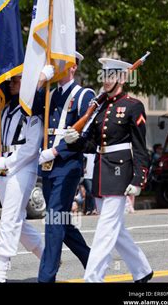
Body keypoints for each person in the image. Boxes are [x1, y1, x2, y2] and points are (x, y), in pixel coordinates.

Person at [64, 57, 153, 283]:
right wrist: (75, 140)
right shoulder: (100, 106)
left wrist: (139, 178)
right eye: (104, 76)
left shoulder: (133, 106)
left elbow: (141, 148)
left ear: (122, 78)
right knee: (115, 229)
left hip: (121, 172)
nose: (105, 81)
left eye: (110, 76)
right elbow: (93, 144)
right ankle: (142, 271)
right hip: (101, 172)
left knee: (105, 231)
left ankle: (93, 278)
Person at [0, 74, 44, 283]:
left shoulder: (32, 110)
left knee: (9, 219)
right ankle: (48, 255)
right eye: (11, 80)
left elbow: (32, 146)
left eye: (16, 80)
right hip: (5, 166)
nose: (11, 84)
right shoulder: (5, 108)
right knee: (17, 221)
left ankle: (2, 270)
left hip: (22, 167)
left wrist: (10, 162)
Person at [31, 52, 93, 283]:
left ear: (73, 67)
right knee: (62, 222)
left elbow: (84, 132)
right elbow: (33, 109)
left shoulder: (84, 95)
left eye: (59, 63)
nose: (54, 66)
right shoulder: (50, 94)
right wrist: (40, 82)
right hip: (48, 166)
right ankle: (92, 261)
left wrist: (57, 151)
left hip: (67, 165)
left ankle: (45, 278)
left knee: (53, 219)